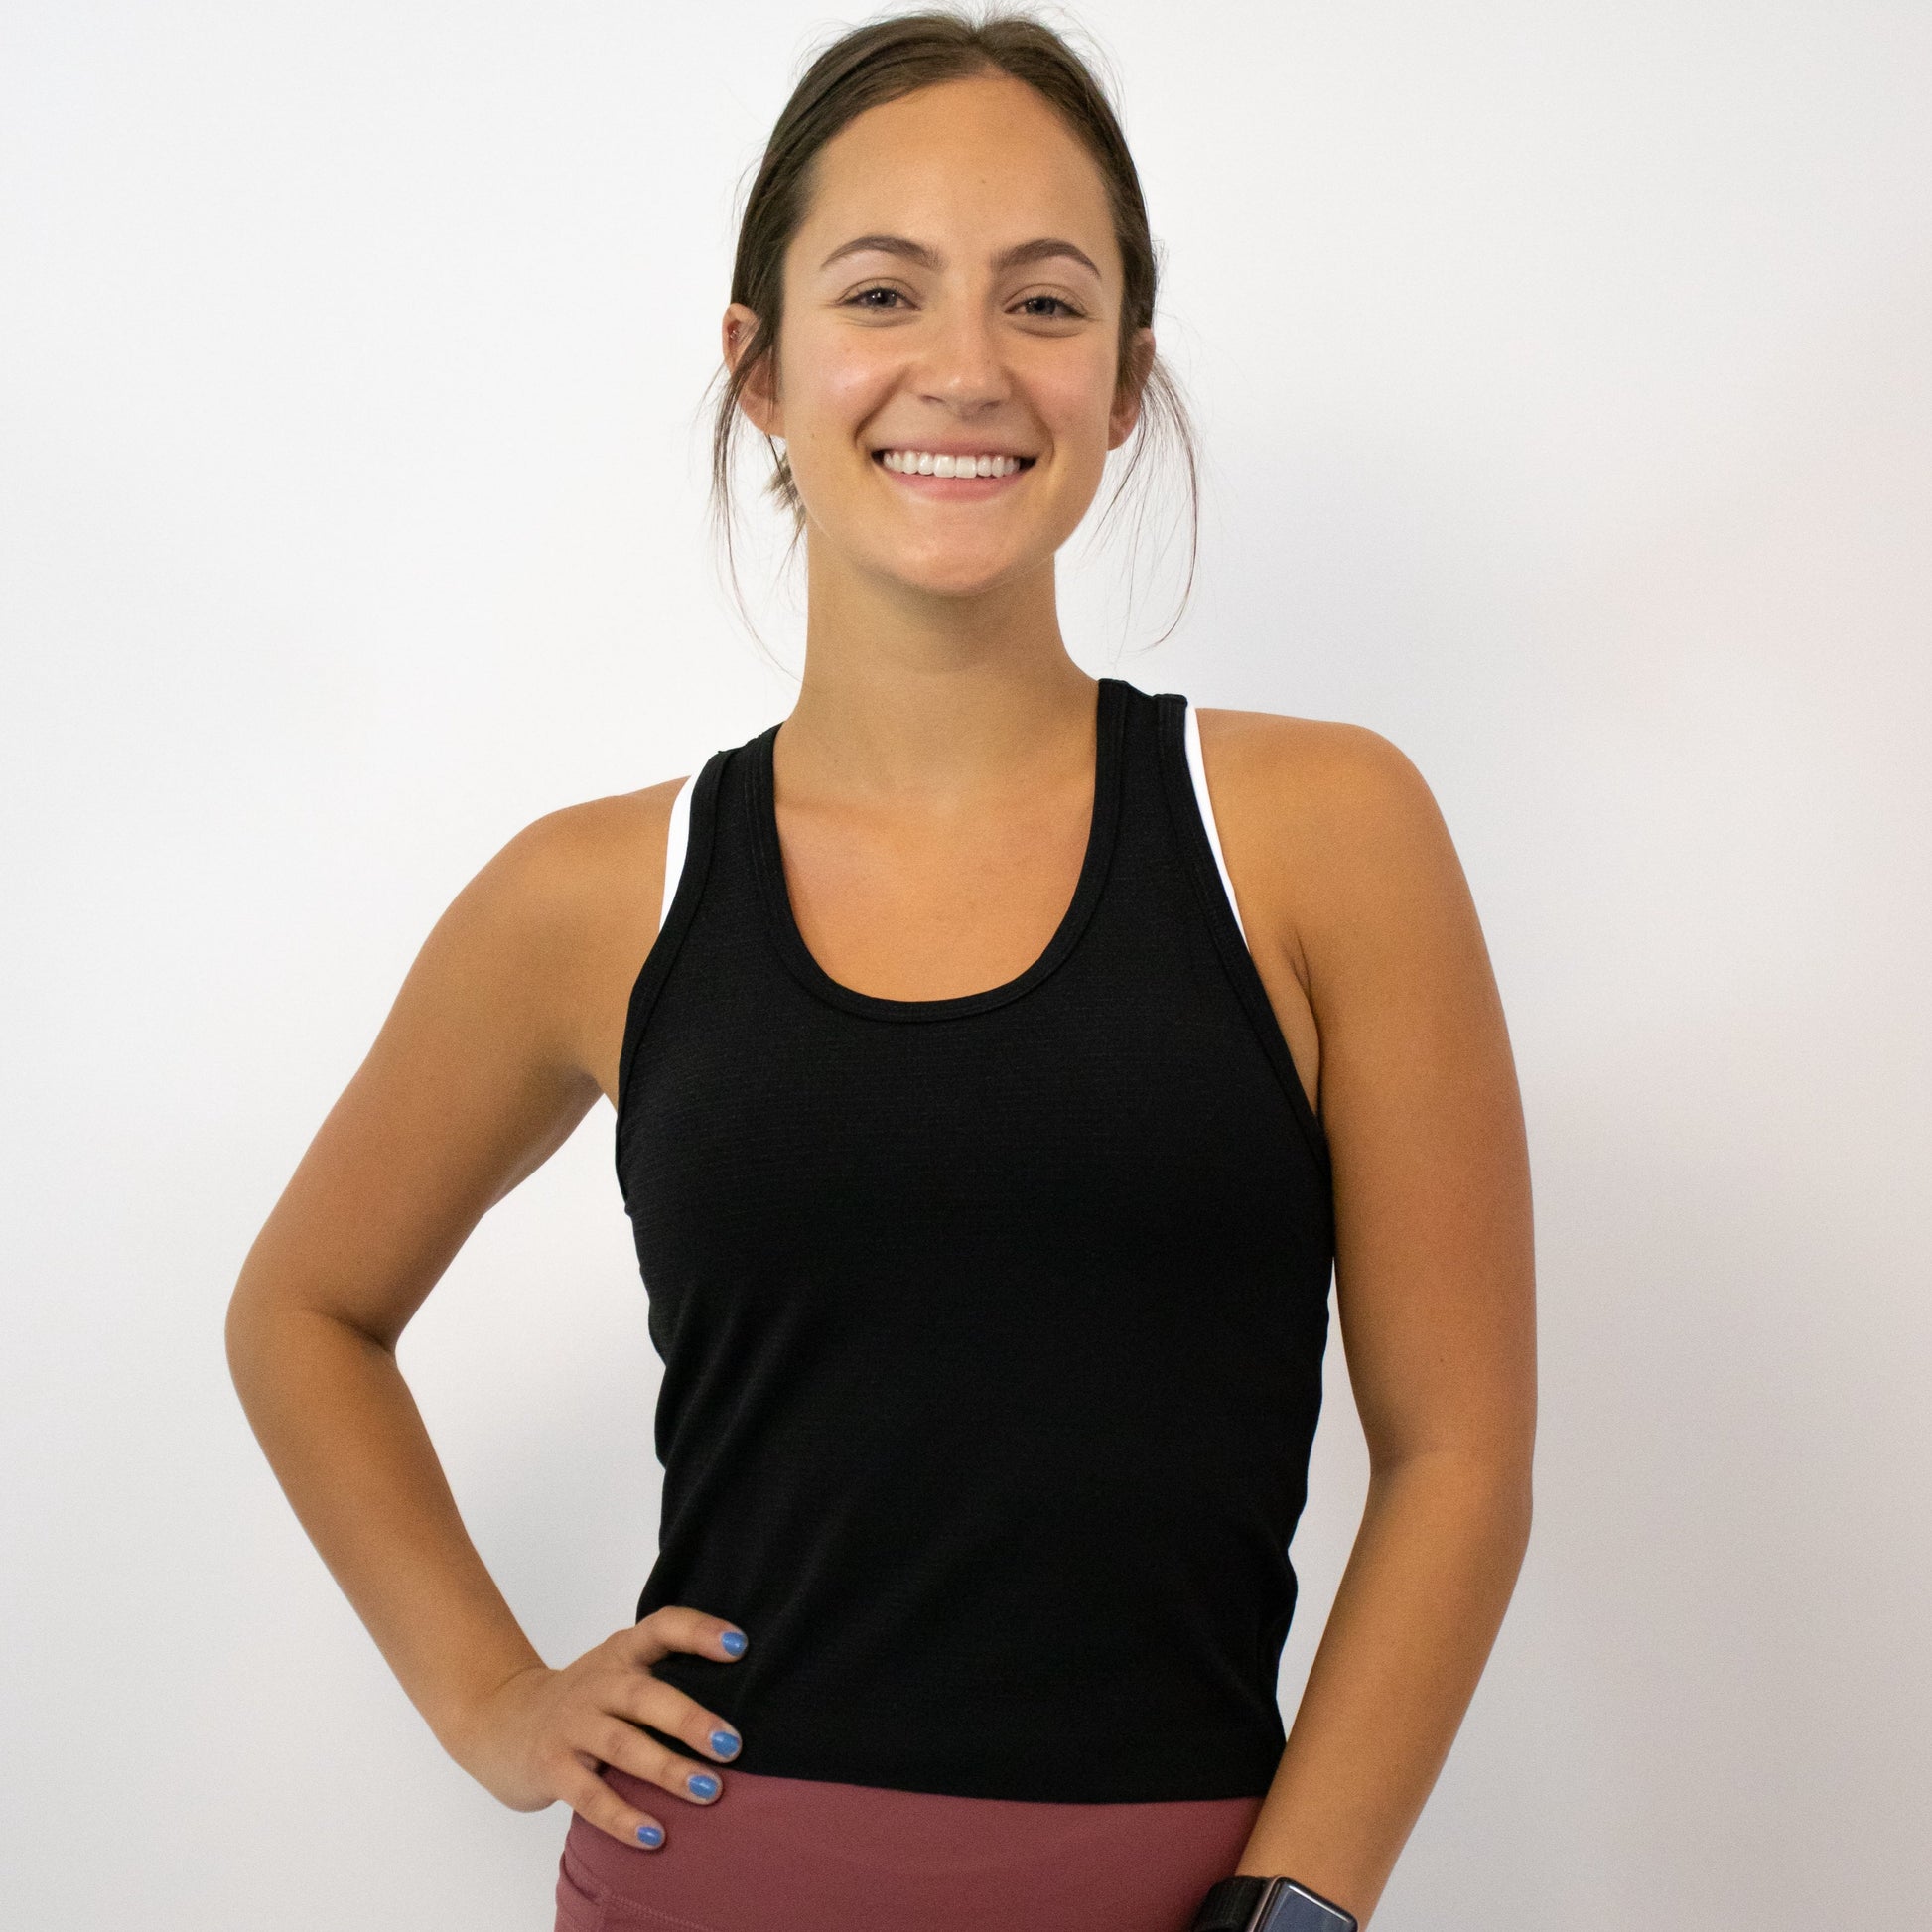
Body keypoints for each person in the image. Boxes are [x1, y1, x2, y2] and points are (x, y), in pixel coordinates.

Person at [225, 9, 1537, 1930]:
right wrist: (491, 1699)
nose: (966, 367)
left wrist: (1299, 1906)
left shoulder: (1323, 832)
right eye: (880, 291)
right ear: (758, 367)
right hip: (699, 1883)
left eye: (1044, 303)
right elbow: (303, 1309)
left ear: (1125, 379)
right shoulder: (593, 895)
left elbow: (1456, 1453)